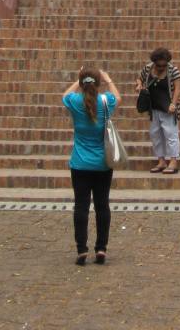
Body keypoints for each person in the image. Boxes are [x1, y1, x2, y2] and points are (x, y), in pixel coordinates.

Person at [62, 64, 122, 265]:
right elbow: (118, 97)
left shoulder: (74, 101)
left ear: (82, 83)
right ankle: (101, 248)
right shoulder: (105, 101)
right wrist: (107, 79)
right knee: (102, 205)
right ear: (98, 83)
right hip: (102, 163)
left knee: (81, 206)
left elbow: (64, 95)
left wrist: (78, 80)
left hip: (80, 163)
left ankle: (81, 249)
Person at [135, 47, 180, 174]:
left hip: (168, 107)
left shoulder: (173, 70)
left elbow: (178, 88)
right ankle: (161, 161)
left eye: (164, 65)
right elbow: (139, 78)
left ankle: (173, 161)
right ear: (154, 62)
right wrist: (139, 85)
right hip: (153, 107)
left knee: (171, 134)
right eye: (158, 65)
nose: (161, 67)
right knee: (155, 135)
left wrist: (173, 104)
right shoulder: (148, 68)